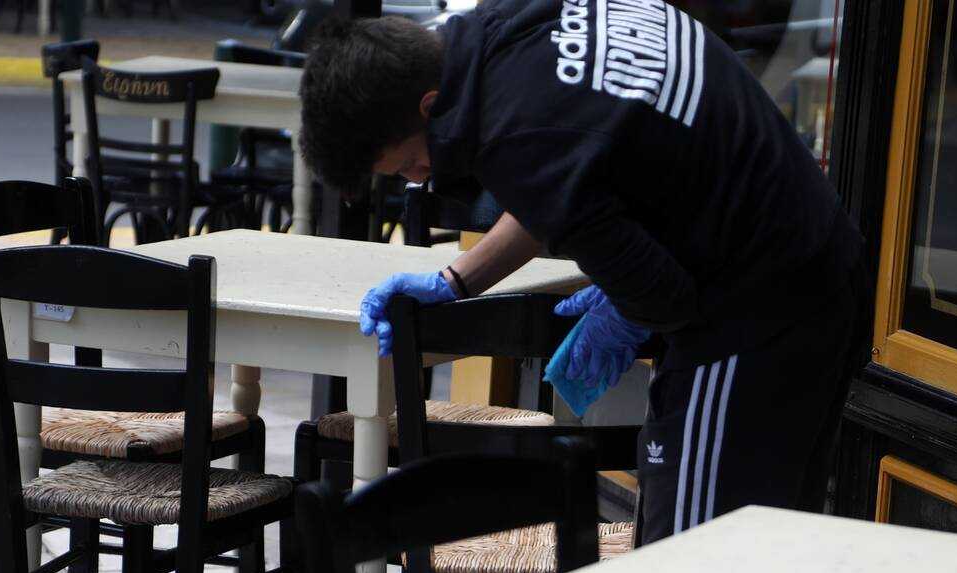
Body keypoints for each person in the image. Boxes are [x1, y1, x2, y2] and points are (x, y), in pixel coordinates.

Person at [297, 0, 870, 544]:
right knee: (762, 547)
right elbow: (557, 183)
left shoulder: (520, 138)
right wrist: (457, 281)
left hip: (761, 304)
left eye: (406, 163)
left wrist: (625, 303)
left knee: (693, 561)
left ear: (428, 106)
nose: (417, 178)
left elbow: (659, 295)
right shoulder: (511, 28)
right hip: (815, 254)